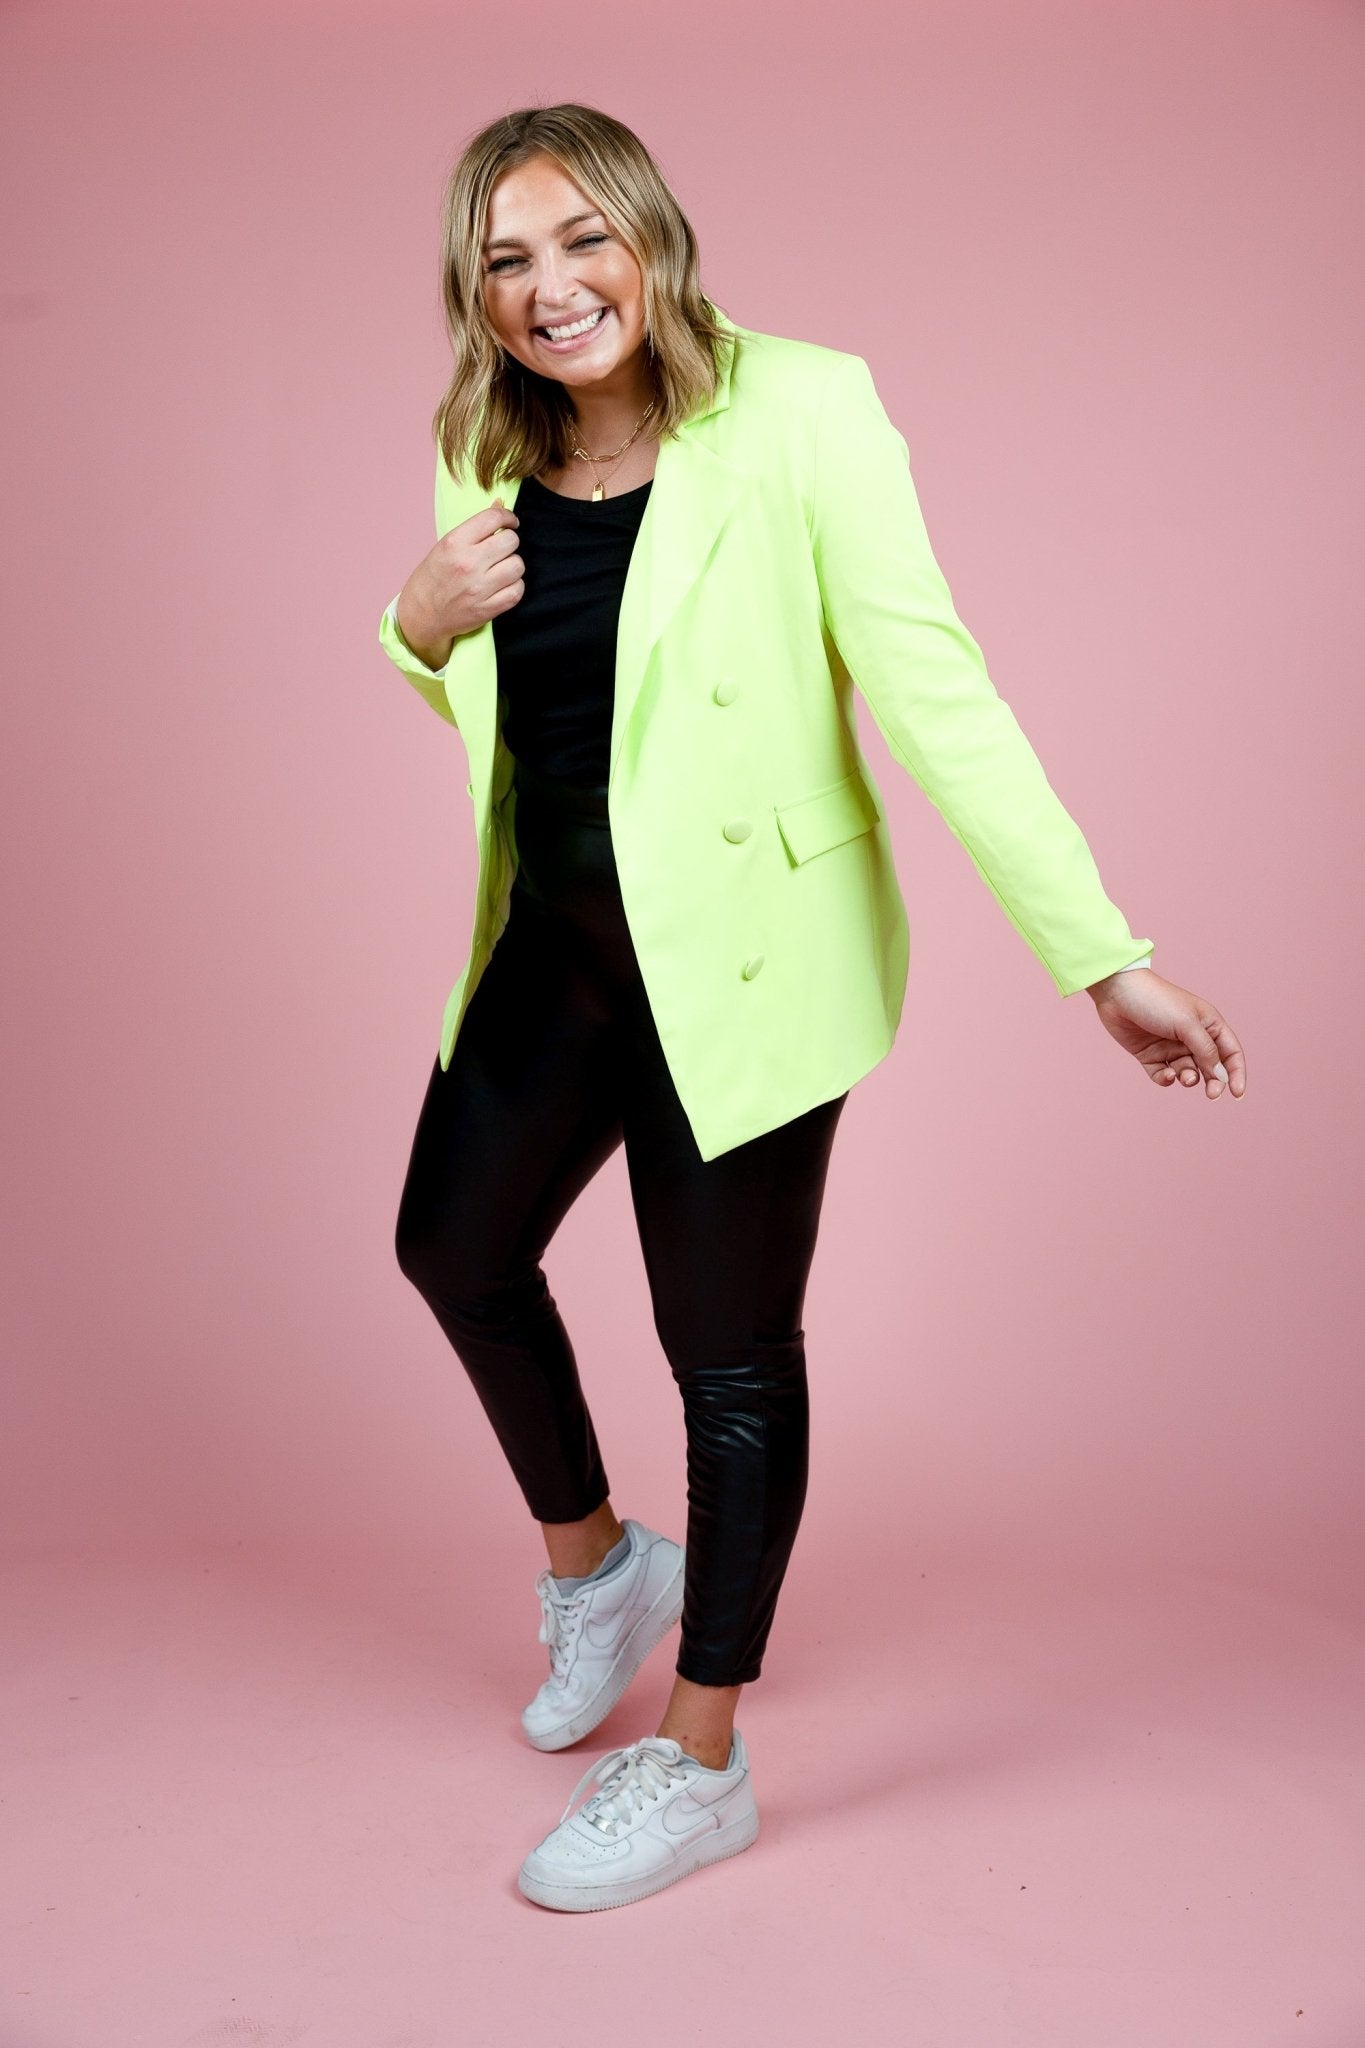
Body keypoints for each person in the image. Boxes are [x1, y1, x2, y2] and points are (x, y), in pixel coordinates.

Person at [378, 103, 1246, 1914]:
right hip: (554, 942)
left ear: (651, 235)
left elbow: (935, 691)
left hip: (750, 956)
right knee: (450, 1246)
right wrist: (417, 625)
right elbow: (517, 703)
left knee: (726, 1356)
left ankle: (701, 1758)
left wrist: (1100, 955)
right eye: (506, 260)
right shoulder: (480, 435)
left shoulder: (803, 410)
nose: (550, 289)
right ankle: (598, 1566)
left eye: (582, 239)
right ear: (475, 292)